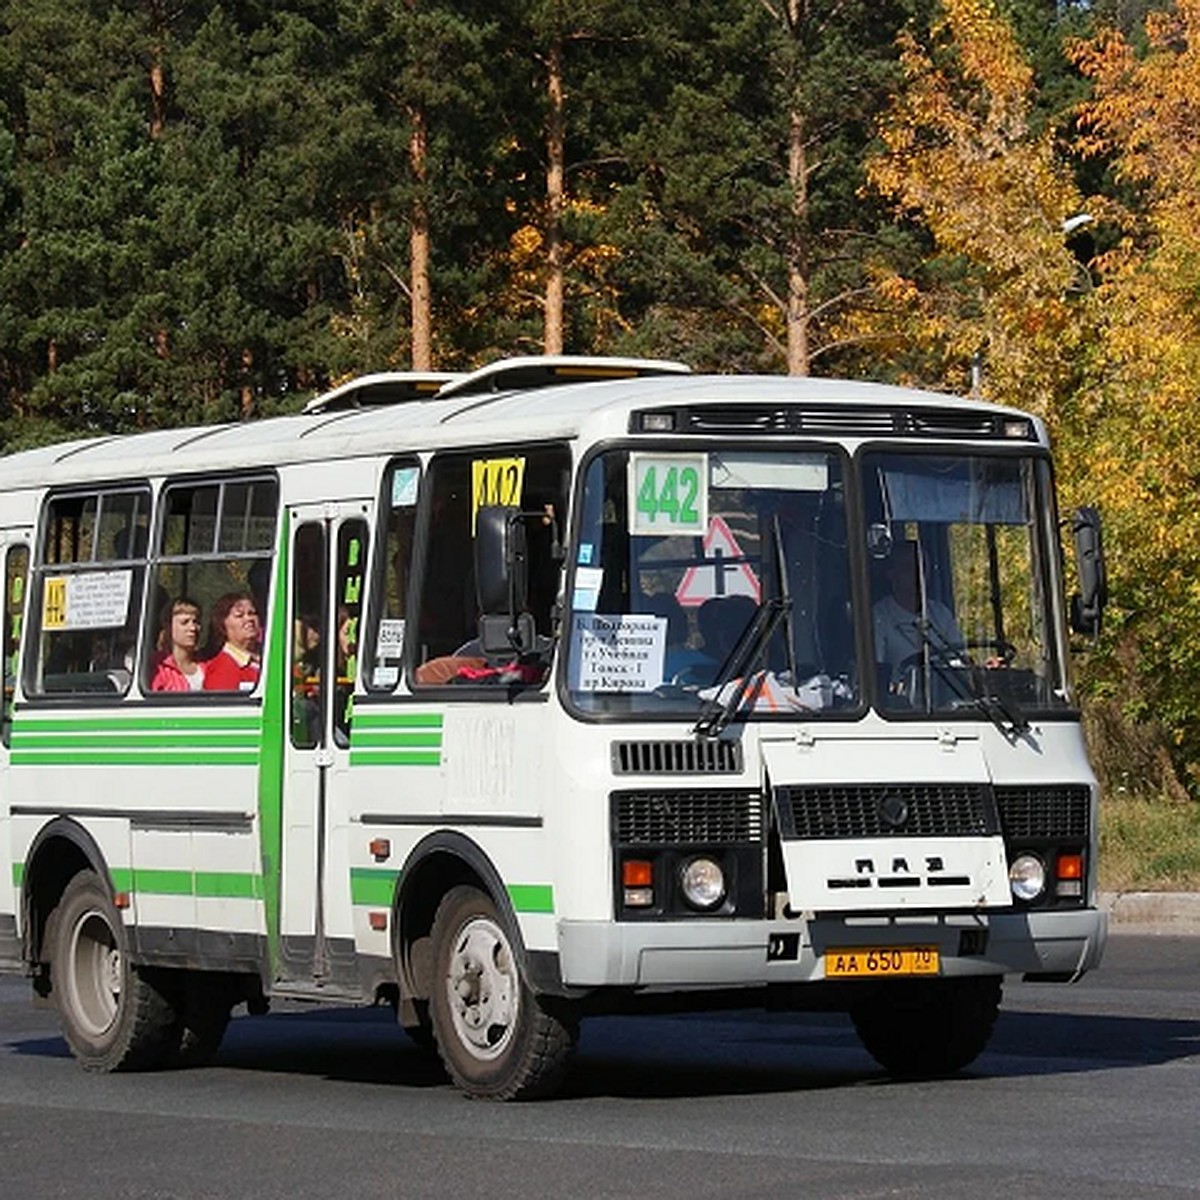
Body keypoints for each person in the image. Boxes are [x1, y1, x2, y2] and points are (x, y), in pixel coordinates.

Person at [872, 545, 963, 686]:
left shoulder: (940, 613)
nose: (917, 574)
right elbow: (876, 670)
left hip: (946, 696)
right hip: (900, 703)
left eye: (923, 567)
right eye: (908, 568)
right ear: (891, 574)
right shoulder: (879, 616)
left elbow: (957, 659)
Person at [203, 591, 262, 691]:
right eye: (239, 615)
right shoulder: (221, 669)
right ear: (222, 625)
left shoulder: (270, 655)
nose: (249, 619)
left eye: (252, 613)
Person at [150, 596, 206, 691]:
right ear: (168, 626)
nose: (193, 628)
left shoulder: (207, 663)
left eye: (196, 622)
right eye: (185, 622)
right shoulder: (157, 667)